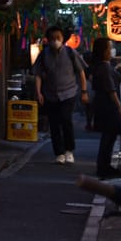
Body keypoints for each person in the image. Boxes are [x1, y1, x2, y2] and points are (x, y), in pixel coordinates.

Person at [33, 25, 88, 164]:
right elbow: (38, 74)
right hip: (50, 94)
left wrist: (84, 91)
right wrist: (38, 92)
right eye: (52, 38)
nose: (55, 41)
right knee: (54, 124)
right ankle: (59, 152)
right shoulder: (44, 54)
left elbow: (81, 72)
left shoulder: (70, 52)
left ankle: (69, 150)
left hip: (68, 92)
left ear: (63, 39)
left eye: (58, 38)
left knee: (66, 120)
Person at [90, 37, 121, 179]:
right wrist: (119, 106)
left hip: (104, 106)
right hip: (108, 108)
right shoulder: (104, 67)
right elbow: (111, 89)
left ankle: (104, 167)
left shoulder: (103, 65)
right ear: (103, 51)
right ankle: (103, 169)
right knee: (108, 138)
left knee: (108, 138)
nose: (112, 50)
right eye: (109, 48)